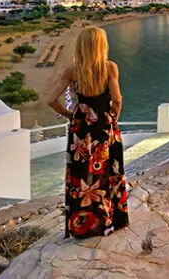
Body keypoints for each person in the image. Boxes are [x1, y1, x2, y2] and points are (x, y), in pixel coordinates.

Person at [47, 26, 129, 238]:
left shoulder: (72, 71)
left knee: (81, 174)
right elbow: (117, 99)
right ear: (102, 45)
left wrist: (70, 116)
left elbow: (50, 100)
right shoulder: (110, 68)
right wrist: (113, 118)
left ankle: (81, 226)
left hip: (81, 126)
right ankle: (111, 221)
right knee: (108, 172)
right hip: (104, 124)